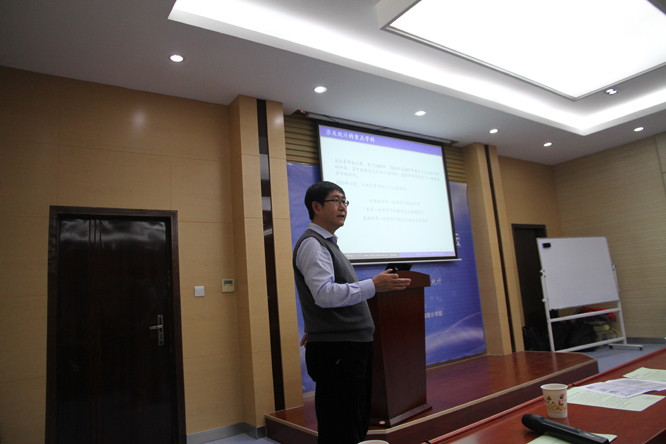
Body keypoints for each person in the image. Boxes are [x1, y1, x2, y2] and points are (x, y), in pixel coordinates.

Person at [293, 181, 411, 444]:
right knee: (341, 426)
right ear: (316, 207)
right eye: (336, 200)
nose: (343, 207)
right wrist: (373, 285)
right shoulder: (313, 244)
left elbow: (321, 296)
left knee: (354, 420)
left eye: (345, 201)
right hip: (339, 348)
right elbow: (324, 294)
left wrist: (315, 326)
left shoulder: (328, 244)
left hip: (347, 344)